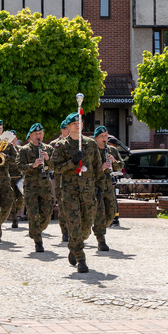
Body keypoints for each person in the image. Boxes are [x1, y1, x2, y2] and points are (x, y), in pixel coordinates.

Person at [50, 112, 105, 274]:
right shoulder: (61, 145)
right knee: (74, 225)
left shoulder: (90, 144)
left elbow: (97, 167)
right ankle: (81, 258)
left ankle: (74, 246)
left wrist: (100, 187)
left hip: (88, 191)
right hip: (69, 191)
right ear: (68, 126)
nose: (78, 125)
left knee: (86, 226)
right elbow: (56, 167)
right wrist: (72, 162)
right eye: (74, 123)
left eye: (80, 122)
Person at [18, 123, 53, 253]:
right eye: (36, 134)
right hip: (31, 187)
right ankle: (38, 241)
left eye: (40, 133)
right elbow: (19, 166)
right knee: (33, 214)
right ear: (31, 135)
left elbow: (56, 165)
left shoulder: (48, 149)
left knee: (47, 213)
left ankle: (35, 230)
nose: (38, 136)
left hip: (45, 186)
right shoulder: (25, 150)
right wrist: (32, 165)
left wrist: (47, 159)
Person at [92, 126, 123, 252]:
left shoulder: (111, 150)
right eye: (102, 136)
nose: (105, 138)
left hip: (109, 186)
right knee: (99, 213)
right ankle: (101, 239)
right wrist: (101, 168)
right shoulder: (92, 151)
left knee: (111, 213)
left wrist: (114, 161)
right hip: (95, 186)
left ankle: (99, 229)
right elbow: (86, 169)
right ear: (96, 138)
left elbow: (121, 166)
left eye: (106, 135)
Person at [50, 120, 72, 242]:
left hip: (73, 179)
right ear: (61, 129)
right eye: (66, 129)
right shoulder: (54, 144)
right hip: (59, 180)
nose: (68, 131)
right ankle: (65, 231)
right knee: (63, 207)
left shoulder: (74, 143)